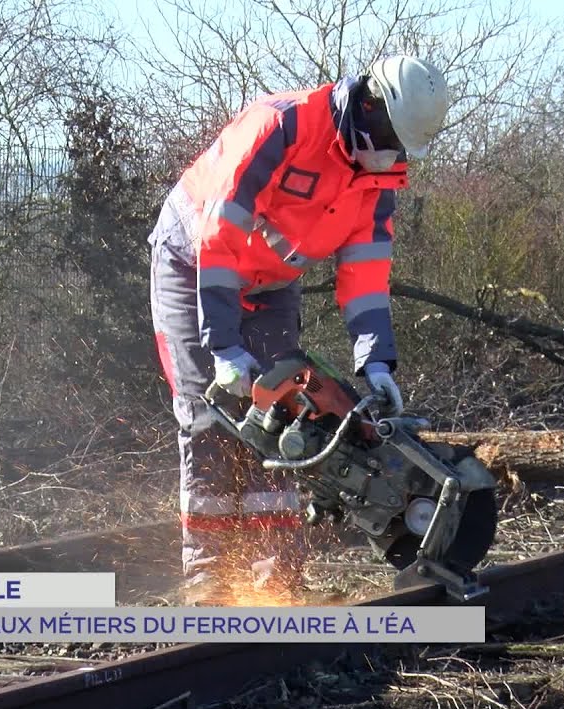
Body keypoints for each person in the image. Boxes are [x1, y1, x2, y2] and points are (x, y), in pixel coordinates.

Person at [147, 55, 450, 605]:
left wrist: (376, 362)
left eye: (398, 145)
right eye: (385, 135)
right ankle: (211, 580)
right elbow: (218, 238)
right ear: (367, 103)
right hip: (194, 261)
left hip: (270, 278)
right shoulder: (281, 127)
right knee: (210, 416)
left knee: (285, 412)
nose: (388, 150)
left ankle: (273, 578)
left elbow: (365, 276)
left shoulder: (376, 181)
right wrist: (224, 345)